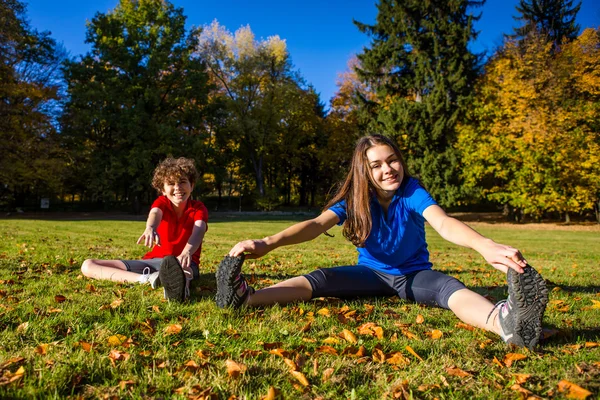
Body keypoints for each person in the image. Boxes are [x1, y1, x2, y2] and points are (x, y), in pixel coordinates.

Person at [216, 134, 548, 349]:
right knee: (320, 280)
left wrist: (484, 245)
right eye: (376, 165)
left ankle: (505, 323)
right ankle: (245, 298)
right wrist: (267, 242)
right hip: (370, 274)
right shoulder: (355, 199)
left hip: (415, 276)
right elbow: (317, 224)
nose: (388, 169)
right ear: (365, 172)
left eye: (392, 160)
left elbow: (444, 223)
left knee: (451, 289)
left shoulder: (412, 191)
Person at [81, 157, 208, 302]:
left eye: (183, 182)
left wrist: (187, 253)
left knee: (185, 272)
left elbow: (199, 230)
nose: (177, 187)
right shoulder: (162, 202)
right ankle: (147, 279)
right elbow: (155, 213)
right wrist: (150, 227)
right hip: (154, 262)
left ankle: (178, 291)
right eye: (171, 183)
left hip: (185, 262)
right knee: (88, 265)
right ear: (163, 190)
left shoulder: (198, 208)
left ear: (192, 185)